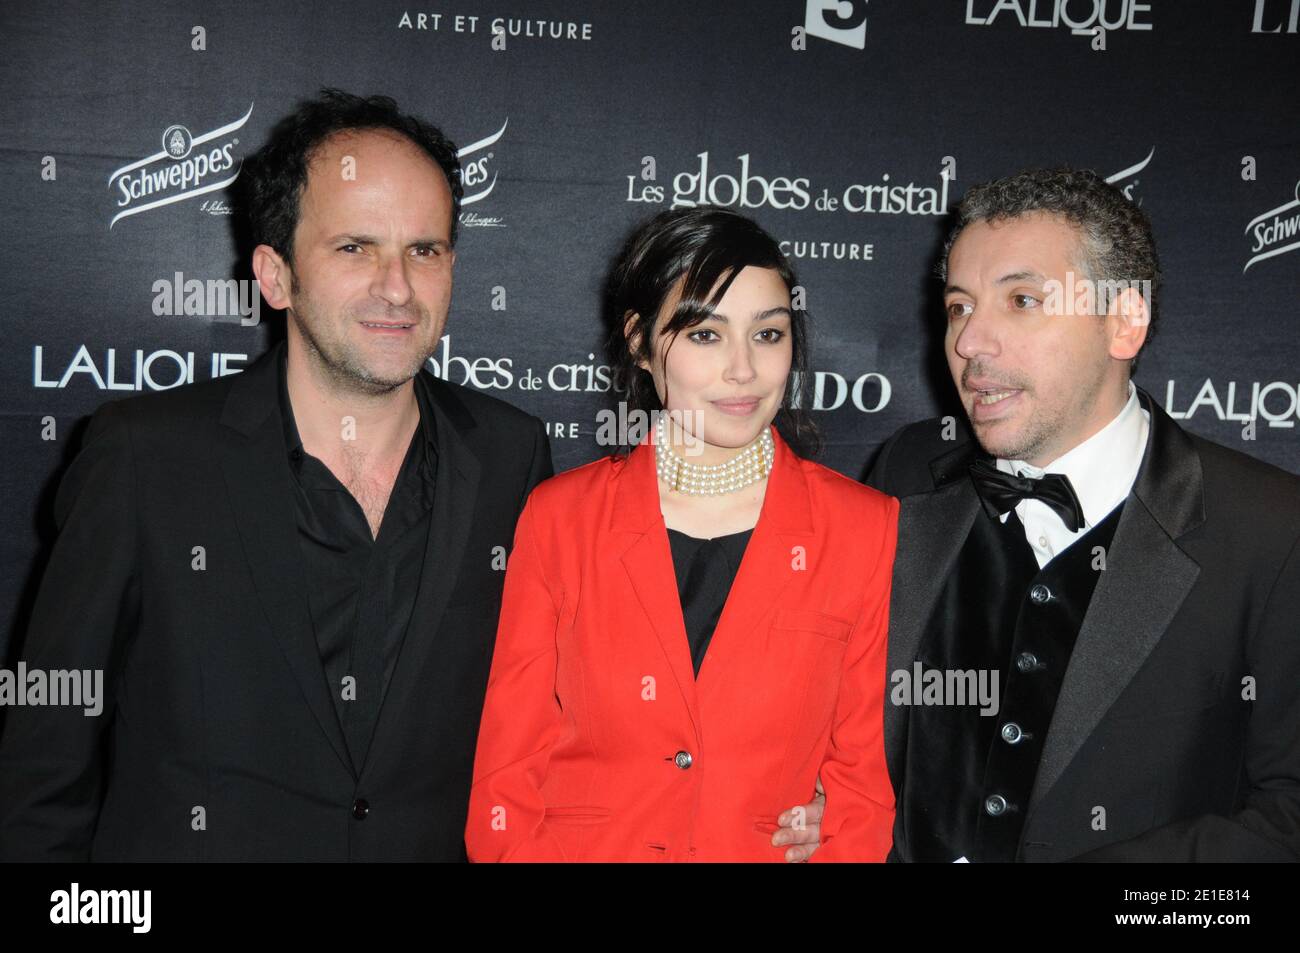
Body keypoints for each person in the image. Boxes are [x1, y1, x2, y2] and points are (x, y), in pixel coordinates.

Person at [0, 89, 552, 861]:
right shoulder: (145, 457)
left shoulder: (509, 456)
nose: (398, 286)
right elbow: (43, 775)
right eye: (355, 247)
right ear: (275, 274)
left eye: (424, 250)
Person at [778, 166, 1300, 861]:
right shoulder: (908, 475)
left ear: (1124, 322)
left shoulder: (1270, 531)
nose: (970, 342)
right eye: (959, 306)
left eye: (1021, 300)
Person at [464, 207, 897, 862]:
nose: (743, 369)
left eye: (768, 334)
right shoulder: (560, 519)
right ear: (640, 342)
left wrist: (834, 824)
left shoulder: (863, 528)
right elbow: (506, 773)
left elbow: (862, 791)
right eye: (705, 335)